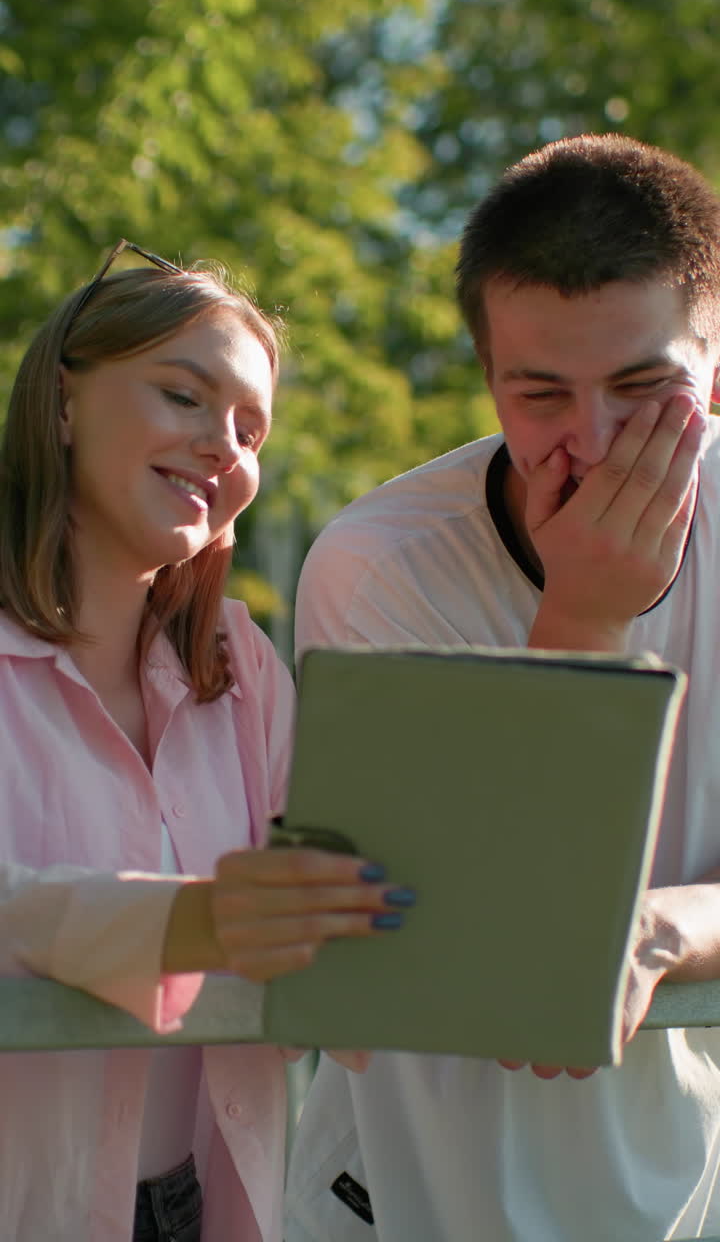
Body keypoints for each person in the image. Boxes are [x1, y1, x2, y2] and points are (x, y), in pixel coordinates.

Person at [284, 135, 720, 1241]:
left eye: (644, 388)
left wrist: (666, 927)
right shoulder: (377, 569)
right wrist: (585, 618)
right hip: (425, 1196)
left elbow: (617, 933)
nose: (596, 441)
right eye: (542, 395)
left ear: (714, 371)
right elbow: (513, 935)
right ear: (489, 383)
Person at [0, 241, 414, 1242]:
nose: (224, 446)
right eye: (184, 396)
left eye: (250, 428)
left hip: (201, 1205)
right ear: (62, 400)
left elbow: (331, 921)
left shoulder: (242, 668)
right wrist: (198, 921)